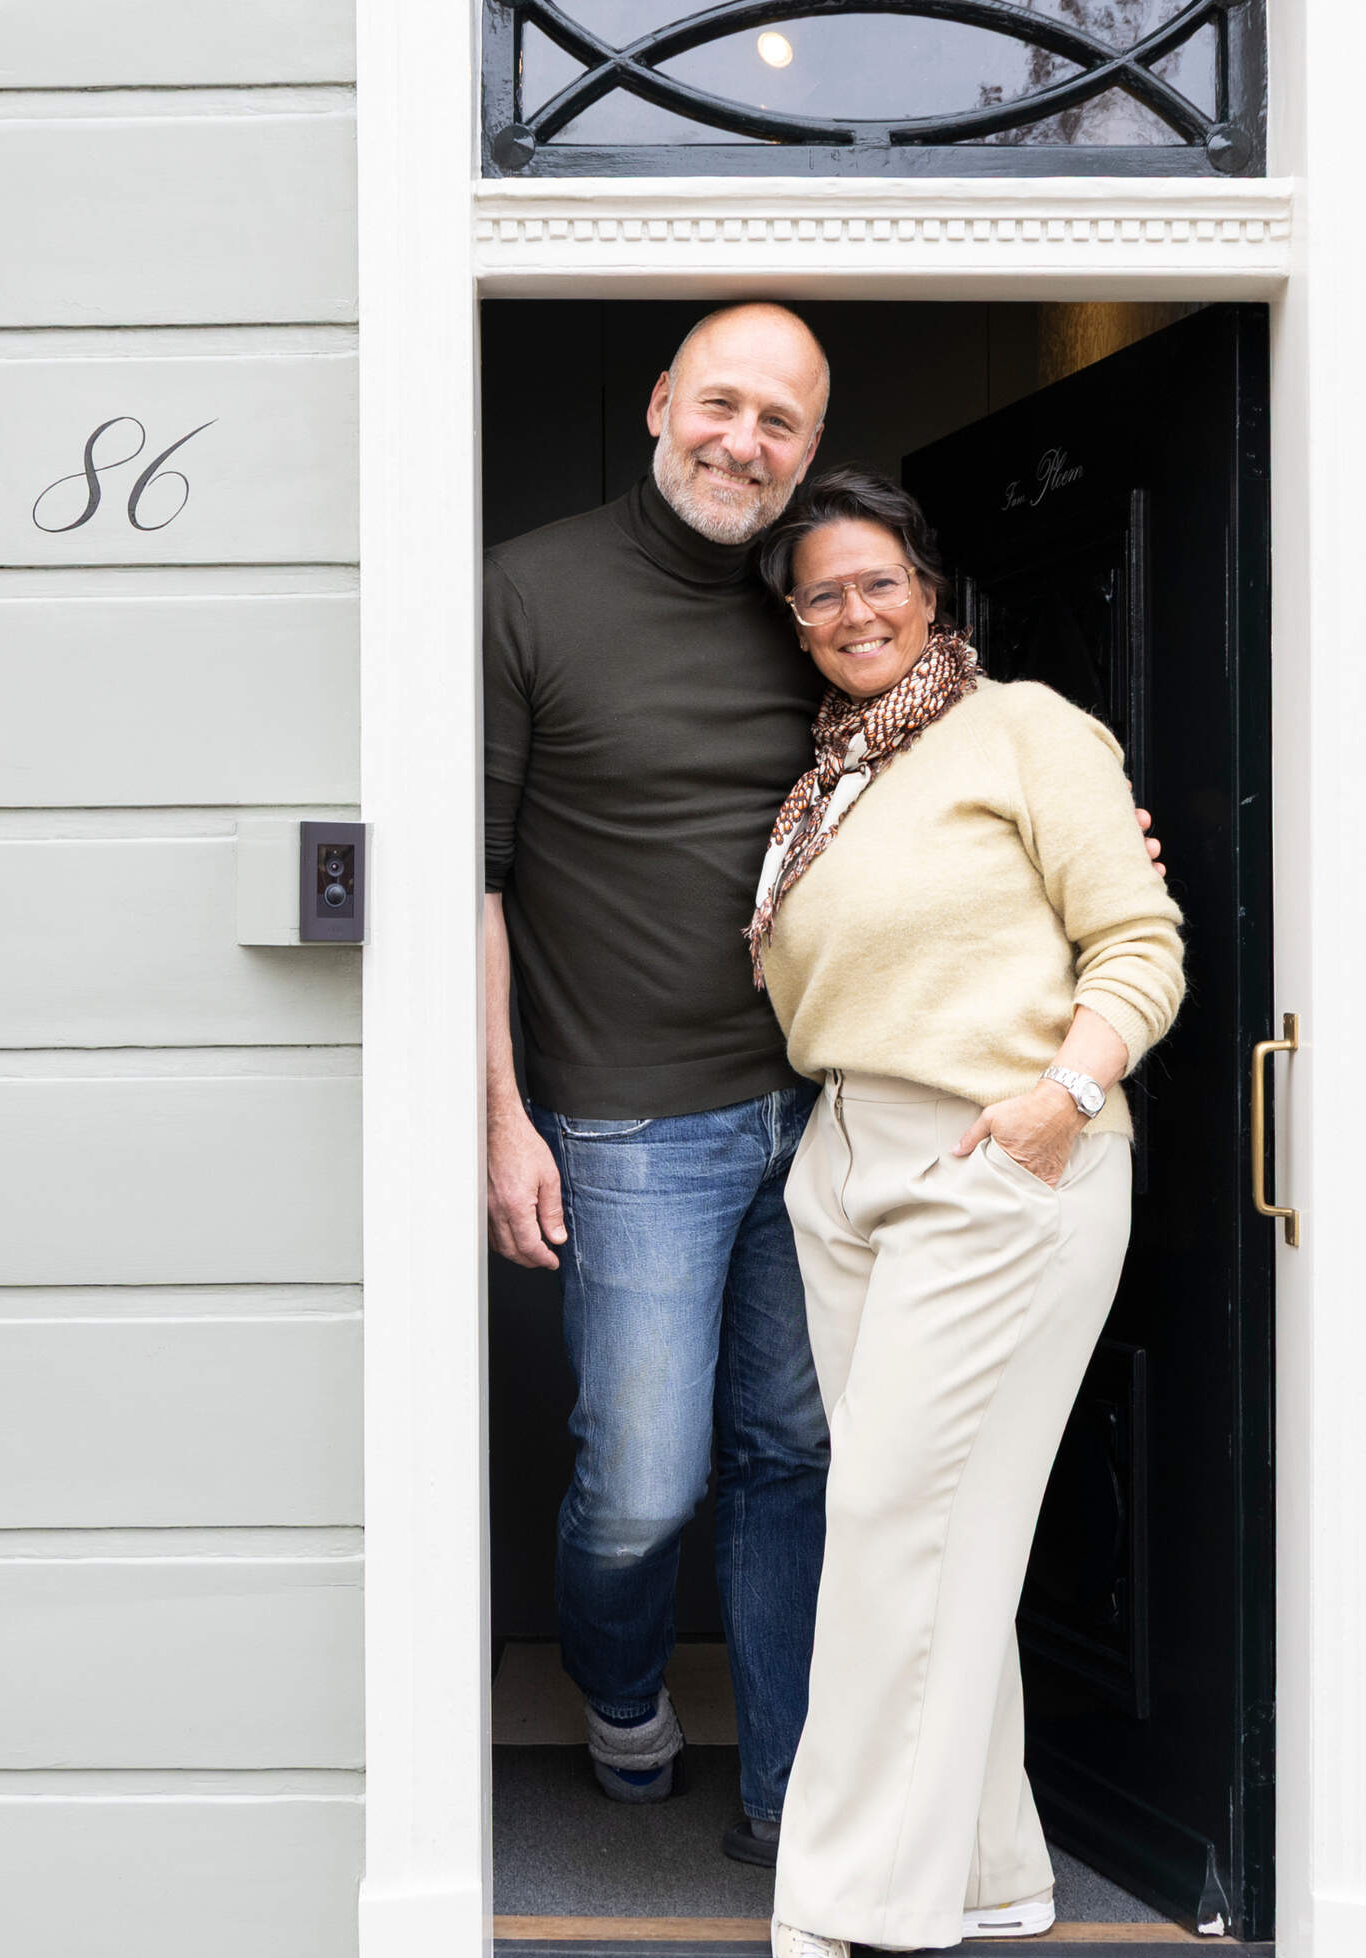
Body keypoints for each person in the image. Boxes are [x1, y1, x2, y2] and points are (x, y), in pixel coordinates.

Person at [736, 469, 1185, 1958]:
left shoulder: (1027, 730)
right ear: (794, 626)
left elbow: (1140, 941)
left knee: (881, 1528)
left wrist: (1062, 1100)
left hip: (1000, 1161)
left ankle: (822, 1910)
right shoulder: (837, 779)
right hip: (846, 1155)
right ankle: (992, 1867)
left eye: (878, 584)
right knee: (931, 1529)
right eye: (820, 596)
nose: (853, 615)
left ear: (931, 588)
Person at [482, 302, 843, 1861]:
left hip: (823, 1111)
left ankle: (791, 1793)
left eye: (778, 423)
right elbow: (467, 883)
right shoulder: (526, 590)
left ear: (808, 453)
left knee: (793, 1460)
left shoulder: (816, 615)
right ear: (657, 404)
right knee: (641, 1485)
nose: (741, 442)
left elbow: (953, 798)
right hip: (624, 1124)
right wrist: (500, 1117)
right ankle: (620, 1691)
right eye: (720, 405)